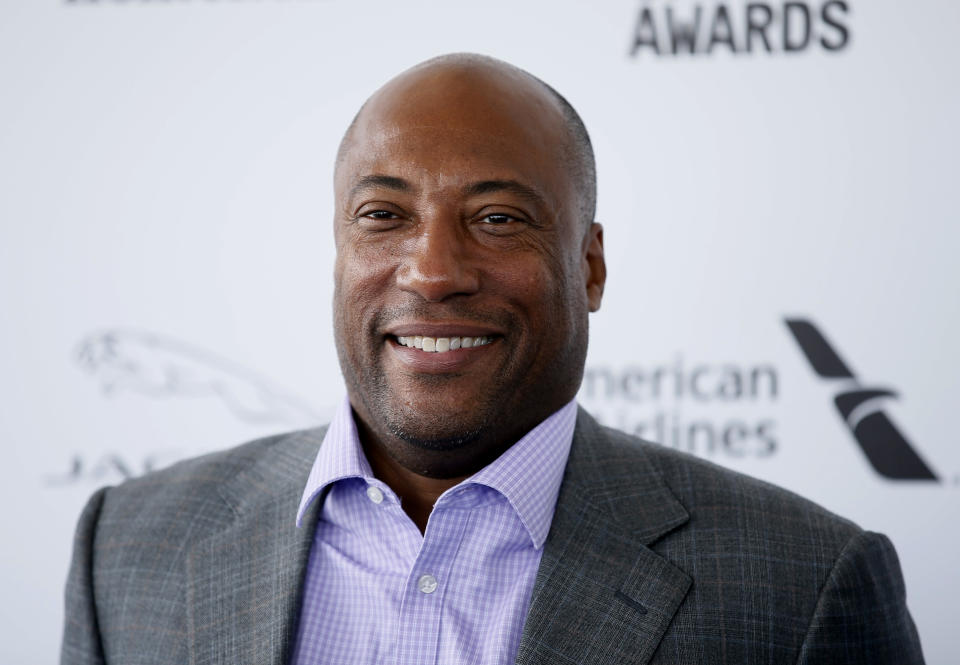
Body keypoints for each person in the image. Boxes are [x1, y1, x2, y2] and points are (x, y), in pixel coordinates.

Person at [61, 53, 924, 665]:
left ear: (588, 266)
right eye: (383, 215)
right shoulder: (127, 549)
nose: (433, 270)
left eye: (499, 217)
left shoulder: (804, 588)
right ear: (337, 251)